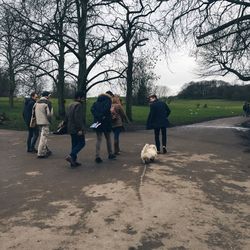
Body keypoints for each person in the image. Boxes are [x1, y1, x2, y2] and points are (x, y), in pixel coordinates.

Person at [91, 91, 116, 163]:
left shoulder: (96, 103)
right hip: (106, 122)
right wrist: (103, 116)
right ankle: (110, 153)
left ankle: (97, 156)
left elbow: (92, 109)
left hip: (97, 122)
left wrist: (98, 116)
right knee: (108, 138)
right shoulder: (108, 101)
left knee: (98, 139)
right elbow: (107, 110)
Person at [65, 91, 85, 168]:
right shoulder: (78, 105)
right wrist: (80, 129)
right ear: (79, 97)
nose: (84, 99)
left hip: (70, 127)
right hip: (76, 128)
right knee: (82, 143)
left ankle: (73, 161)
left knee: (74, 144)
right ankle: (71, 156)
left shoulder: (69, 105)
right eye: (83, 97)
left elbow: (66, 117)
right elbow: (78, 118)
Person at [35, 91, 53, 158]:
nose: (49, 97)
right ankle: (41, 153)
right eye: (49, 95)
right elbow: (49, 114)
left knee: (43, 137)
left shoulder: (37, 102)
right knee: (44, 138)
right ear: (47, 96)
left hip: (38, 122)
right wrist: (50, 120)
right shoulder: (48, 103)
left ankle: (45, 150)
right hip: (45, 122)